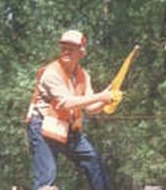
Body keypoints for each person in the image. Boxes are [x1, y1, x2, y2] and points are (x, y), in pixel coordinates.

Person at [26, 30, 115, 190]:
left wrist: (107, 101)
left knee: (95, 162)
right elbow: (67, 103)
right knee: (46, 180)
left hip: (67, 129)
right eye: (63, 48)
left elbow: (90, 107)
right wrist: (101, 96)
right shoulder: (51, 72)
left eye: (71, 48)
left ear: (82, 52)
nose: (66, 51)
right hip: (42, 128)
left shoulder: (83, 75)